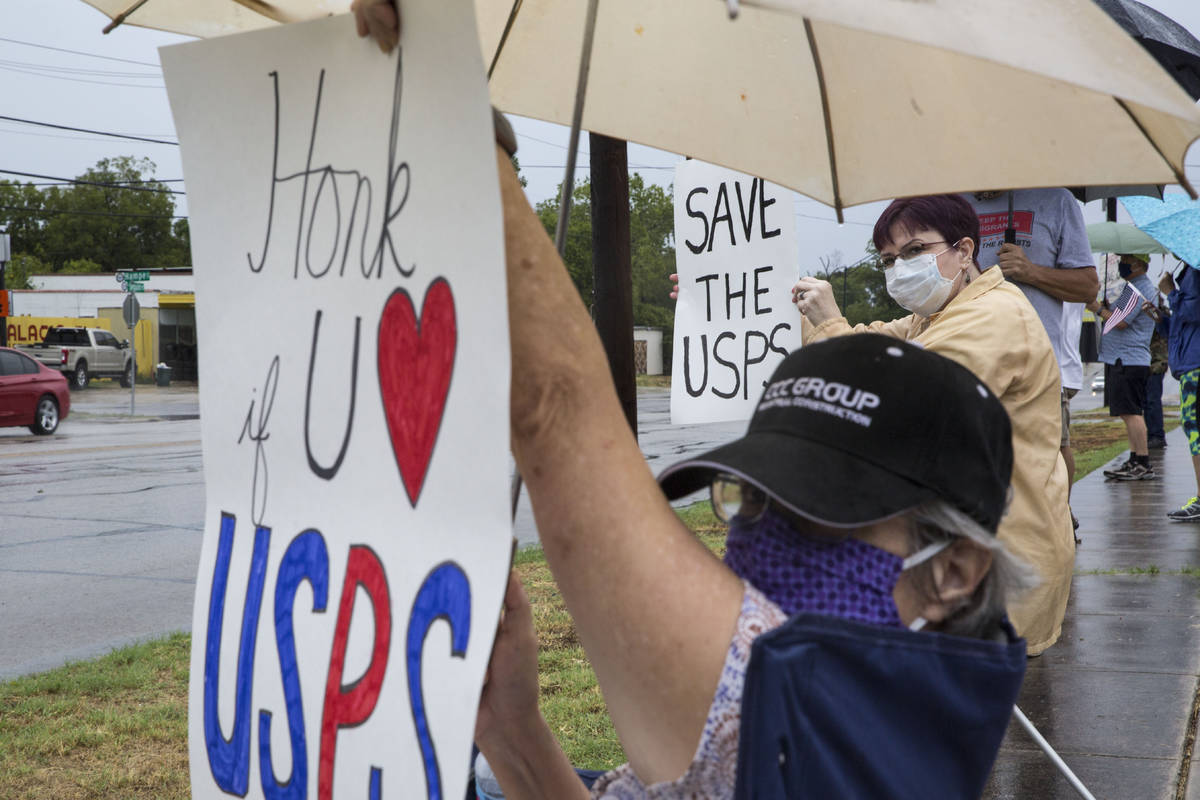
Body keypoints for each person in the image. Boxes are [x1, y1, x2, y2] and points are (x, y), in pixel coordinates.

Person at [791, 193, 1073, 656]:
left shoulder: (993, 318)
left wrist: (829, 328)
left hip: (998, 565)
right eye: (888, 259)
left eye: (914, 251)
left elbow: (898, 406)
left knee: (962, 712)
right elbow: (871, 344)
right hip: (964, 553)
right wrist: (751, 309)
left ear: (964, 251)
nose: (899, 267)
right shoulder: (941, 314)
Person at [966, 189, 1098, 532]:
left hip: (1039, 365)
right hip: (972, 361)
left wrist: (1029, 271)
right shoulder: (951, 202)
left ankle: (1056, 524)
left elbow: (1087, 287)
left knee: (1049, 457)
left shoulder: (1055, 201)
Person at [1087, 254, 1158, 481]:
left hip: (1127, 359)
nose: (1122, 264)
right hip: (1127, 359)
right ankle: (1135, 458)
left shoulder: (1136, 289)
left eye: (1126, 260)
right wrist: (1108, 308)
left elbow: (1120, 322)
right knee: (1128, 412)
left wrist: (1096, 308)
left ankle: (1142, 462)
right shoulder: (1137, 288)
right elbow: (1121, 316)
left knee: (1132, 413)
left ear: (1137, 264)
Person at [1161, 263, 1200, 520]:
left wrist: (1170, 291)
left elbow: (1193, 311)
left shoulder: (1195, 273)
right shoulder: (1189, 272)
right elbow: (1181, 324)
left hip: (1195, 363)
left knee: (1194, 427)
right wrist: (1161, 319)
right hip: (1188, 362)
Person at [1146, 303, 1169, 450]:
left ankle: (1157, 436)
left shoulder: (1158, 313)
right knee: (1147, 402)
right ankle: (1152, 435)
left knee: (1152, 400)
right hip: (1149, 362)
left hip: (1156, 363)